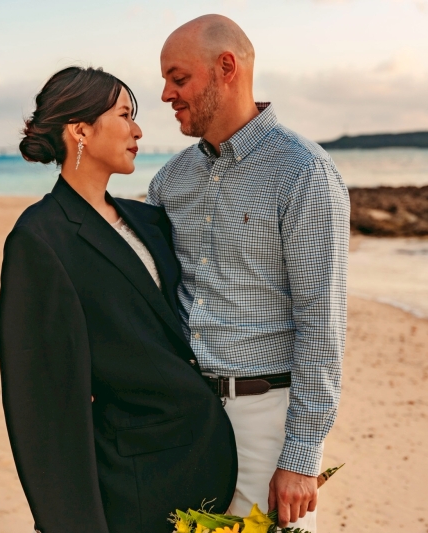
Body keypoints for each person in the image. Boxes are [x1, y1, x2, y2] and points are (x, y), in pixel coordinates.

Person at [0, 66, 237, 533]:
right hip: (134, 488)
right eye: (125, 115)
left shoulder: (148, 220)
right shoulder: (39, 238)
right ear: (80, 129)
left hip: (210, 462)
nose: (138, 130)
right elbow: (44, 403)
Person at [148, 15, 350, 532]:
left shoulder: (304, 172)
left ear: (226, 68)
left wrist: (302, 455)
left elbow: (321, 324)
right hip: (185, 417)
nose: (167, 94)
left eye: (178, 78)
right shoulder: (169, 182)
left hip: (265, 423)